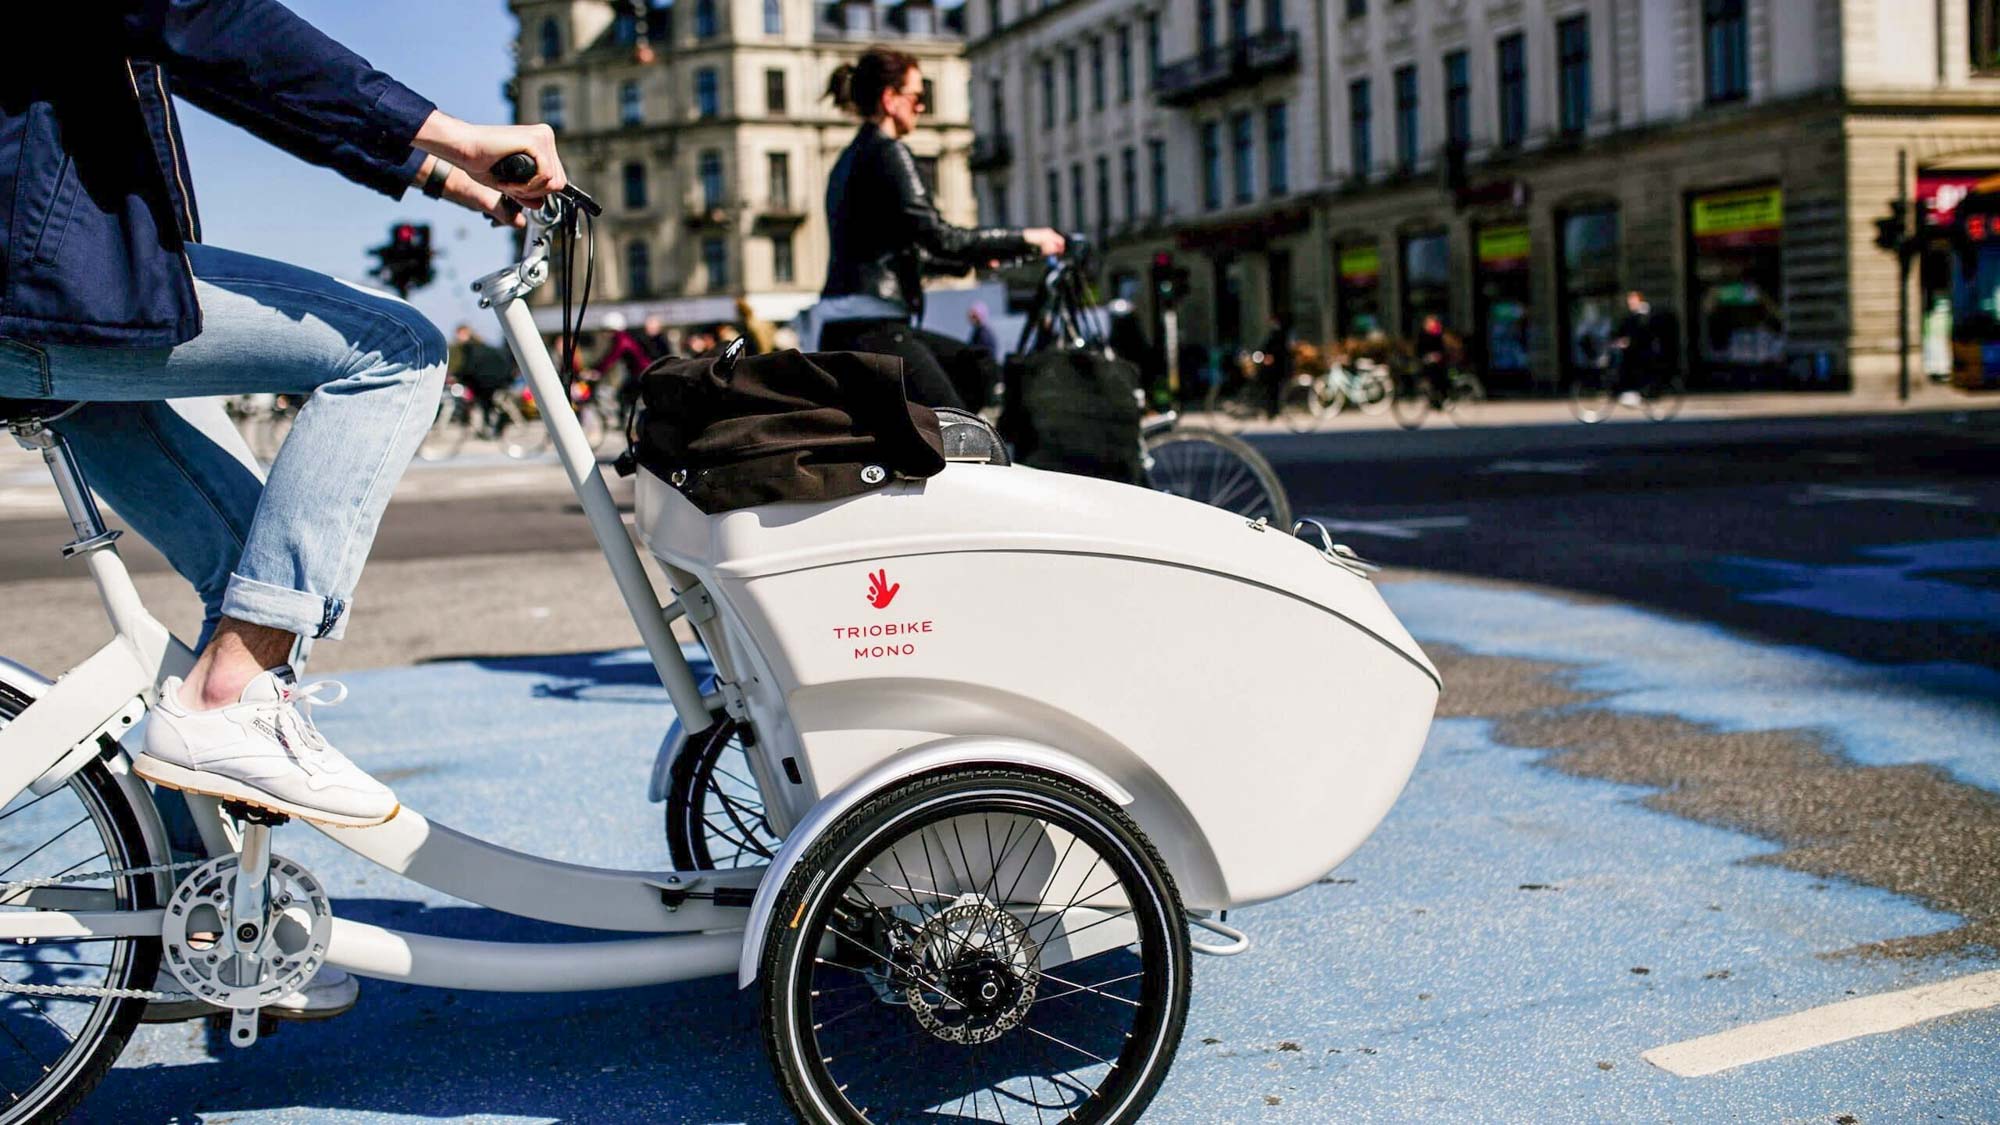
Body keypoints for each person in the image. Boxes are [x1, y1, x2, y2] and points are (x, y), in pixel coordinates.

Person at [0, 4, 567, 830]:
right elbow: (203, 19)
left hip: (48, 295)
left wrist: (439, 170)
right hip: (38, 290)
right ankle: (227, 696)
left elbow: (217, 67)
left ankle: (203, 941)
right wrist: (449, 131)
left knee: (250, 572)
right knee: (396, 347)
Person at [816, 47, 1064, 411]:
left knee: (973, 366)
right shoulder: (889, 151)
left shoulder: (848, 158)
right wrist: (1025, 240)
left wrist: (967, 263)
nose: (920, 107)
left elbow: (892, 252)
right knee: (957, 430)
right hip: (875, 329)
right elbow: (940, 236)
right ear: (890, 99)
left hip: (845, 328)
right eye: (917, 97)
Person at [450, 324, 518, 436]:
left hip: (490, 380)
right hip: (491, 379)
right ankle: (489, 428)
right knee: (486, 405)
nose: (459, 337)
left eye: (461, 334)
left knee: (487, 404)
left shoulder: (471, 348)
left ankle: (493, 426)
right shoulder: (476, 345)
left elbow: (470, 366)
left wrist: (459, 376)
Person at [1256, 315, 1295, 420]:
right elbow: (1266, 346)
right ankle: (1270, 410)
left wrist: (1270, 357)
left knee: (1274, 388)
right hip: (1273, 367)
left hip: (1279, 368)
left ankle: (1273, 411)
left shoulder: (1282, 334)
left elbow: (1278, 350)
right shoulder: (1275, 333)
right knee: (1269, 387)